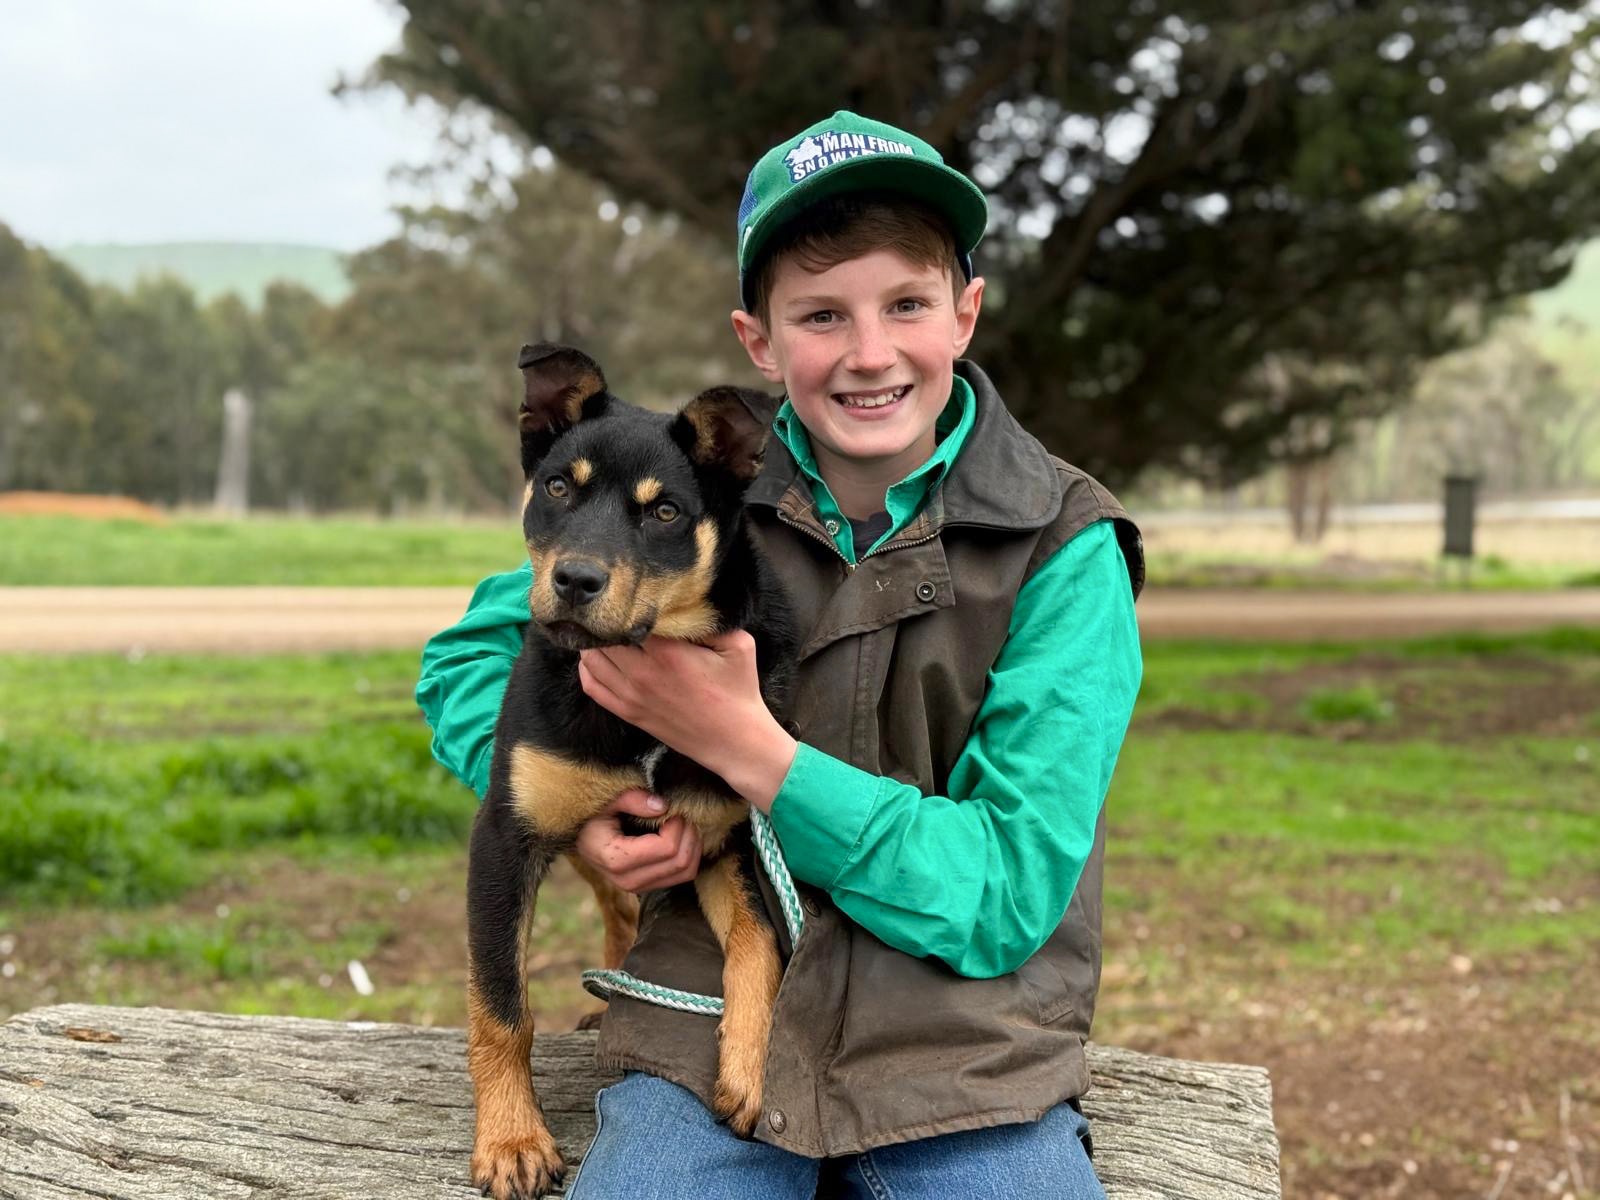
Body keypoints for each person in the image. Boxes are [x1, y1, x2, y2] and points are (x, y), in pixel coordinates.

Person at [416, 110, 1144, 1199]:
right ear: (758, 339)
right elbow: (472, 657)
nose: (869, 352)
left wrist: (750, 751)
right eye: (820, 314)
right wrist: (574, 813)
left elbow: (1002, 891)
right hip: (697, 1019)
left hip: (964, 1049)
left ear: (966, 312)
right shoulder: (697, 492)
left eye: (907, 304)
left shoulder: (1065, 551)